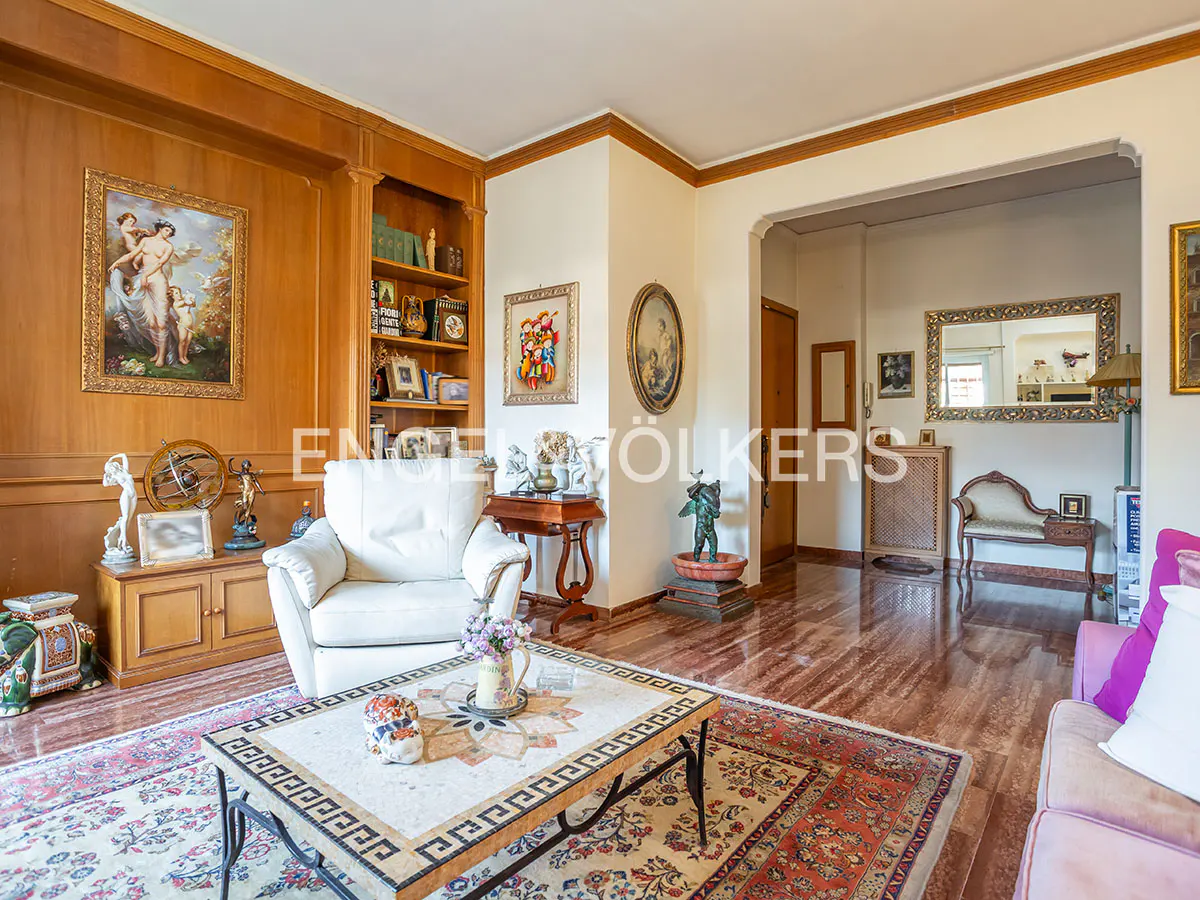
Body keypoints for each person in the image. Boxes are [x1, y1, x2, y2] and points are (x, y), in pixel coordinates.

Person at [108, 219, 177, 368]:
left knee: (160, 322)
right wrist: (117, 262)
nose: (168, 234)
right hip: (143, 280)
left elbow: (159, 263)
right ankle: (157, 352)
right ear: (160, 228)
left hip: (157, 280)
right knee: (151, 322)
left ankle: (162, 356)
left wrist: (146, 275)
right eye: (166, 230)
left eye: (170, 233)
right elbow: (132, 254)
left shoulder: (168, 246)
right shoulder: (146, 241)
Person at [172, 287, 198, 364]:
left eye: (179, 292)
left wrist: (192, 300)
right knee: (182, 342)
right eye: (176, 293)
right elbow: (186, 302)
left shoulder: (184, 300)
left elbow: (193, 305)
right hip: (183, 326)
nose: (179, 294)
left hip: (190, 326)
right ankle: (181, 357)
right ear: (172, 296)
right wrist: (189, 297)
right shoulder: (176, 304)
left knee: (187, 342)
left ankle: (184, 356)